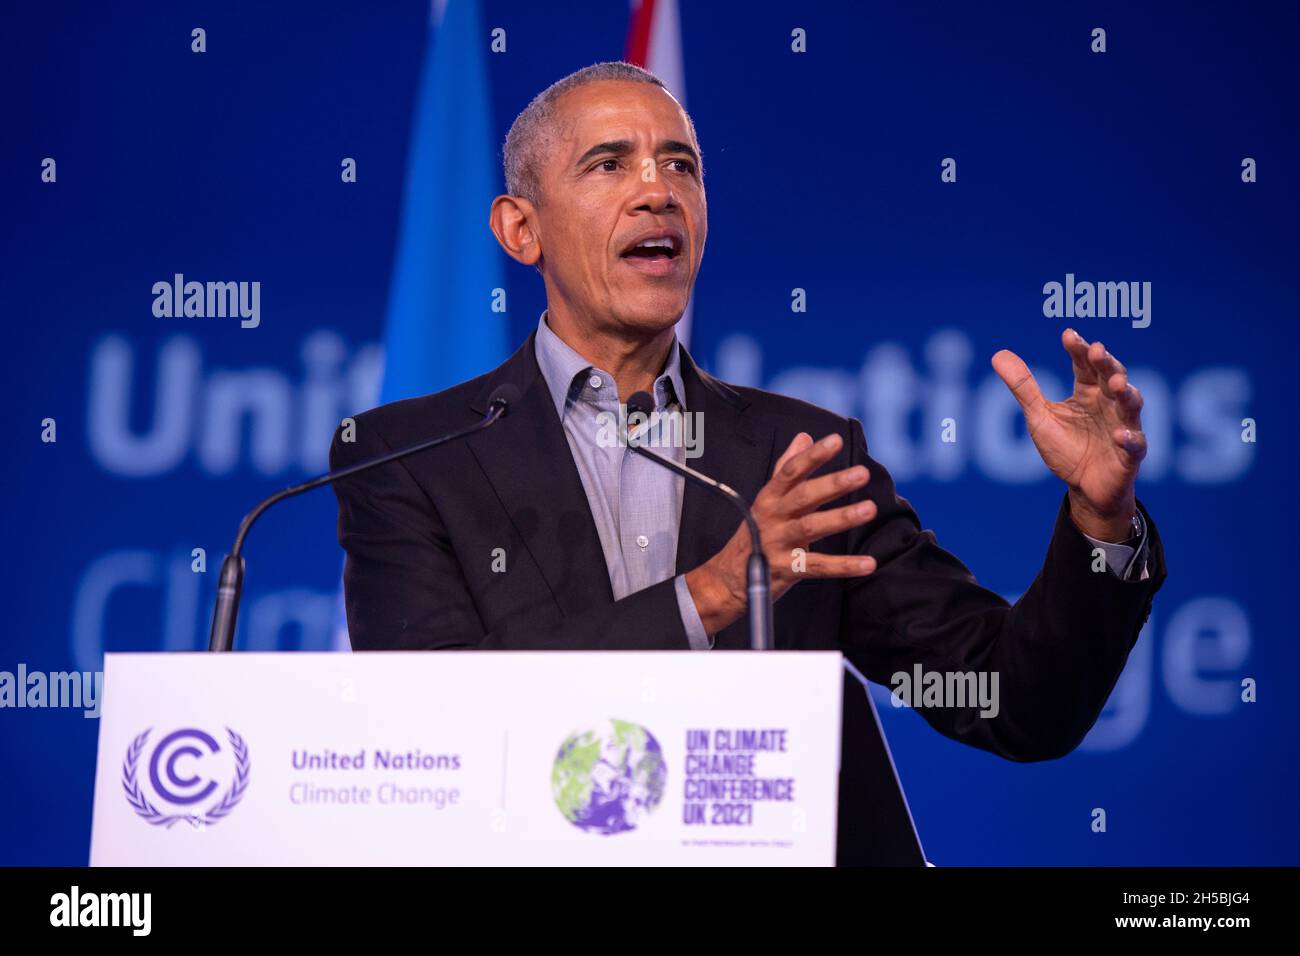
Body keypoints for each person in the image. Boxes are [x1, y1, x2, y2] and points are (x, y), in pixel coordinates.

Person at [330, 62, 1166, 864]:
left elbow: (1011, 703)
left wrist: (1101, 521)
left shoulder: (797, 457)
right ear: (523, 228)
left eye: (681, 166)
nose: (657, 190)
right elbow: (430, 726)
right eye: (609, 163)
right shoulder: (409, 457)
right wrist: (711, 594)